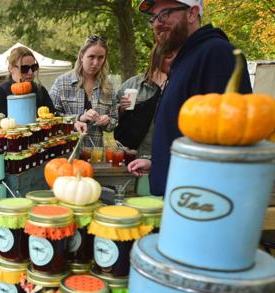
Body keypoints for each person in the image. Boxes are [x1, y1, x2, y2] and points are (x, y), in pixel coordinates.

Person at [132, 0, 252, 195]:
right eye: (153, 18)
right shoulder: (185, 60)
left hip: (198, 204)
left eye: (164, 14)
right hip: (179, 198)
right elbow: (186, 131)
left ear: (192, 13)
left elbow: (228, 140)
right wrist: (159, 163)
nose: (156, 23)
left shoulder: (216, 53)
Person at [116, 44, 176, 194]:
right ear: (156, 58)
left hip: (161, 159)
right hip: (130, 158)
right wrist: (121, 109)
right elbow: (111, 119)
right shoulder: (133, 84)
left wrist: (164, 88)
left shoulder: (177, 86)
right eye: (168, 56)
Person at [50, 35, 118, 148]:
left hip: (95, 153)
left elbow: (114, 121)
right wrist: (79, 118)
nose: (96, 63)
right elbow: (51, 118)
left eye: (100, 58)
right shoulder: (62, 83)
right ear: (81, 56)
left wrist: (107, 121)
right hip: (67, 152)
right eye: (91, 57)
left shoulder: (108, 87)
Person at [0, 46, 56, 117]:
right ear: (11, 68)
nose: (30, 72)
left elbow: (54, 117)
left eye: (33, 67)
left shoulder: (40, 90)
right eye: (24, 68)